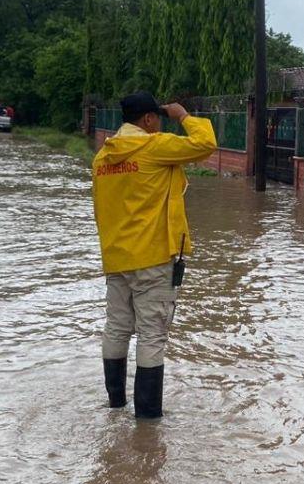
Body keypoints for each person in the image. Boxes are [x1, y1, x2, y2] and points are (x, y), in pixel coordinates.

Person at [91, 91, 217, 419]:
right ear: (148, 119)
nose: (159, 124)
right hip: (153, 257)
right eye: (157, 119)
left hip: (117, 257)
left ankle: (115, 405)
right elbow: (205, 144)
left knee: (117, 327)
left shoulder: (102, 159)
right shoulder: (154, 146)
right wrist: (182, 115)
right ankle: (147, 423)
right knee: (152, 334)